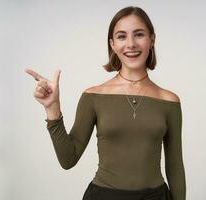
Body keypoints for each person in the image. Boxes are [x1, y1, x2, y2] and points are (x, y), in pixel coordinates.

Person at [25, 6, 186, 200]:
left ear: (151, 40)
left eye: (139, 34)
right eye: (121, 36)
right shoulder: (93, 96)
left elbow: (175, 166)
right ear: (112, 44)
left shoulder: (169, 101)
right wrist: (52, 108)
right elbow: (68, 159)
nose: (131, 44)